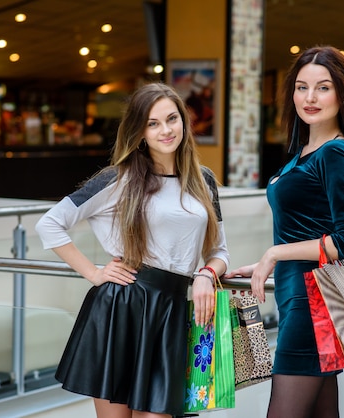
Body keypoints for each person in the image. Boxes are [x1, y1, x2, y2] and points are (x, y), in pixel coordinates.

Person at [35, 82, 229, 418]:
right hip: (122, 309)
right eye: (153, 123)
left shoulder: (203, 180)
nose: (165, 130)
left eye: (172, 119)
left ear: (184, 121)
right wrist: (94, 272)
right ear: (139, 132)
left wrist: (206, 274)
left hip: (172, 313)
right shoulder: (119, 178)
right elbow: (50, 224)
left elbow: (219, 250)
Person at [225, 45, 344, 418]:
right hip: (301, 299)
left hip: (313, 305)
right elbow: (307, 228)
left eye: (323, 88)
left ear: (343, 95)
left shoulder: (334, 153)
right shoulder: (306, 150)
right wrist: (266, 262)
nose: (310, 98)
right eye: (301, 87)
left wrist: (274, 254)